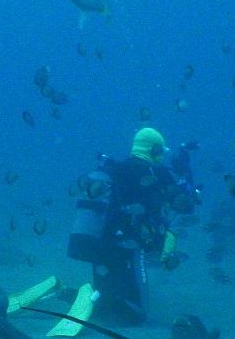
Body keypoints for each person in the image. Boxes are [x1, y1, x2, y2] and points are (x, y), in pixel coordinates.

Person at [61, 127, 198, 328]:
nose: (162, 156)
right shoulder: (156, 173)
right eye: (161, 151)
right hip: (128, 247)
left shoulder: (117, 169)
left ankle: (65, 292)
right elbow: (184, 205)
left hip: (98, 241)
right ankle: (94, 301)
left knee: (109, 295)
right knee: (137, 314)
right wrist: (185, 174)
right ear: (154, 149)